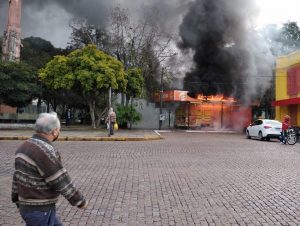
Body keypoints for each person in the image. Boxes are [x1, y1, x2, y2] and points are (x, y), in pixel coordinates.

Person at [12, 112, 88, 226]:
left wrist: (17, 200)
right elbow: (60, 180)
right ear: (54, 131)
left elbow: (17, 178)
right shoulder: (45, 151)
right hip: (40, 210)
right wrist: (80, 201)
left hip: (29, 208)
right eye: (59, 130)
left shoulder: (22, 147)